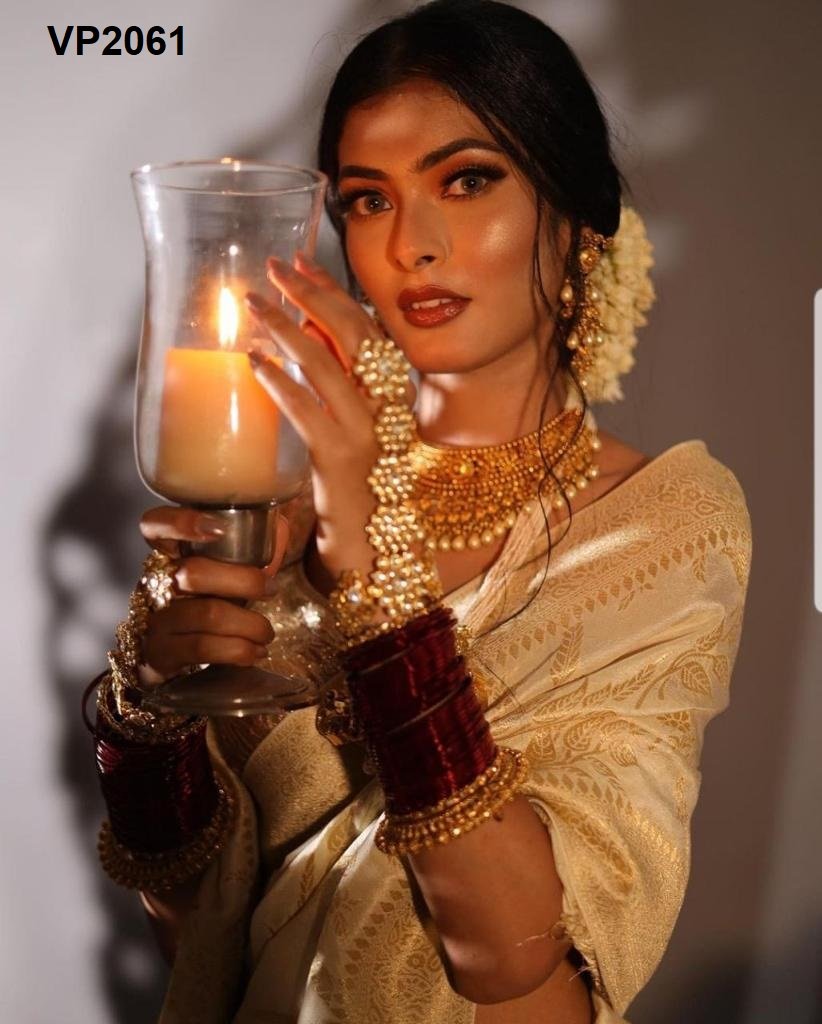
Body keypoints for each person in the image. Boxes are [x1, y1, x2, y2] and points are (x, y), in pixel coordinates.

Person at [87, 2, 753, 1022]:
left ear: (575, 214)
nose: (413, 244)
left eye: (468, 180)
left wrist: (376, 571)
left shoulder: (661, 524)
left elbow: (512, 958)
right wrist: (144, 716)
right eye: (369, 199)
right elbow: (199, 931)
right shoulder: (278, 516)